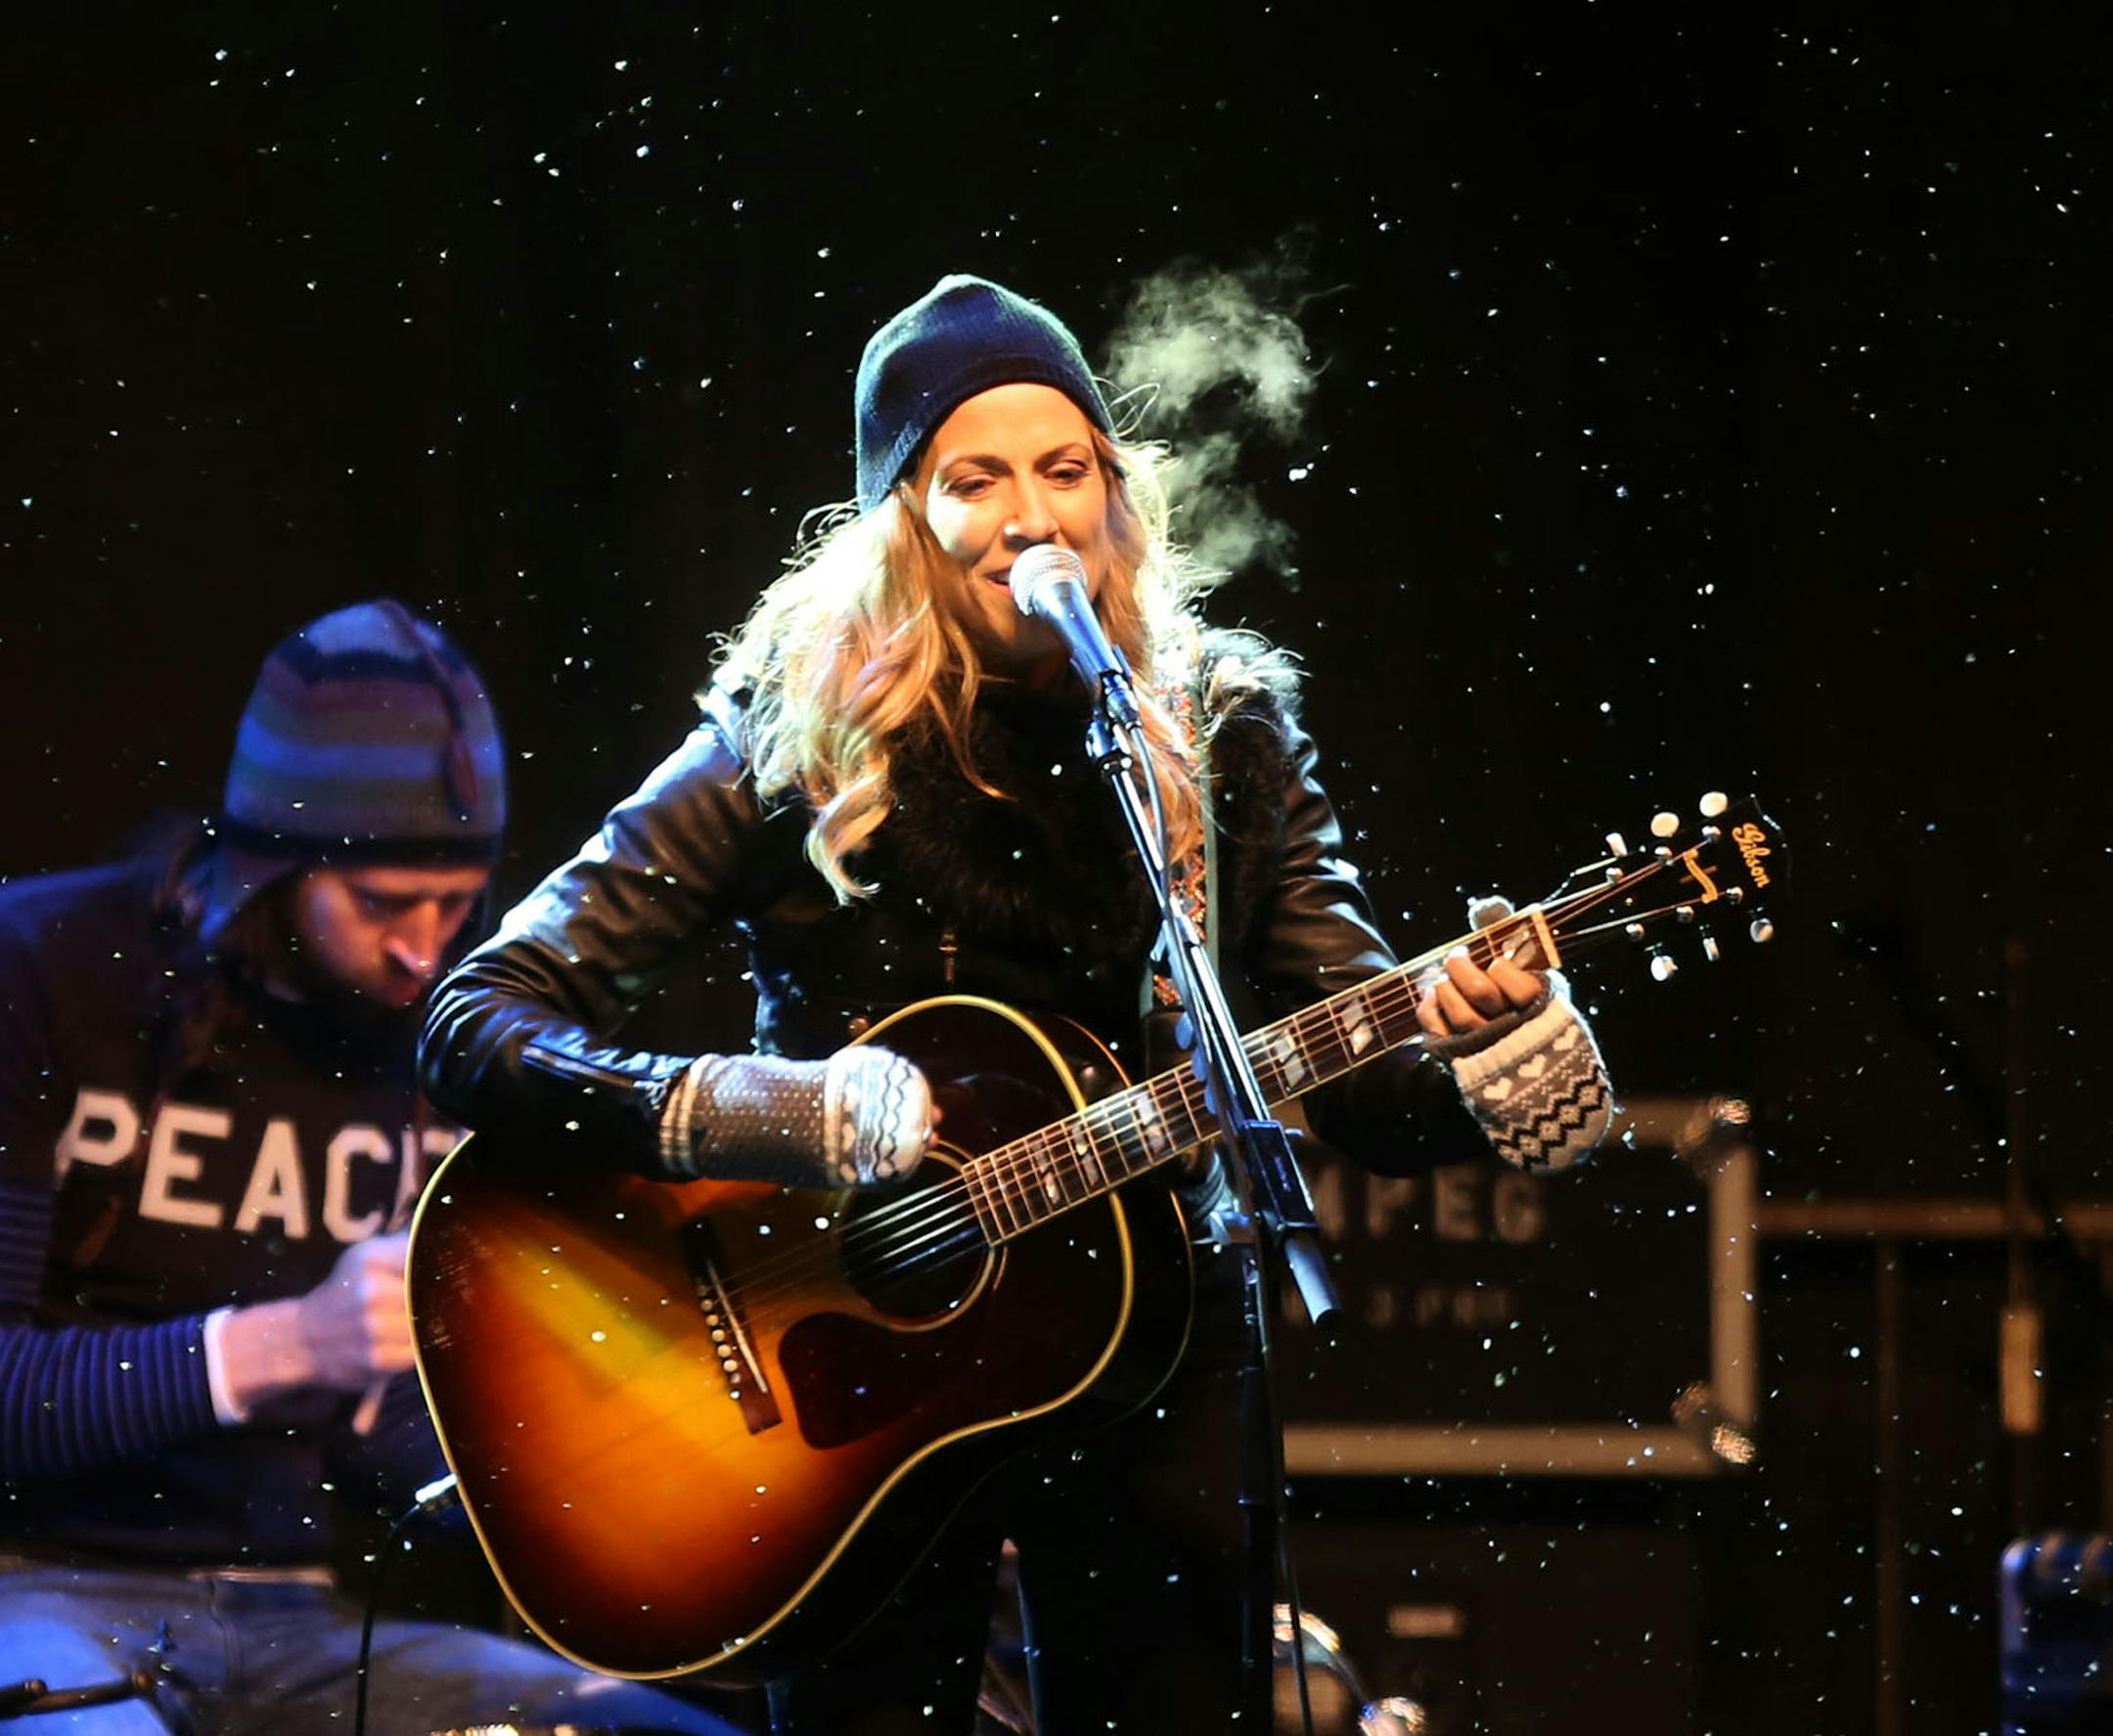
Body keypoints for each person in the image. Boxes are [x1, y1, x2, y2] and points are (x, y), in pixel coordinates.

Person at [419, 276, 1615, 1735]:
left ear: (1119, 501)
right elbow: (478, 1018)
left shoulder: (1215, 724)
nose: (1030, 514)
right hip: (842, 1388)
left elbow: (1357, 1071)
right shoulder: (794, 727)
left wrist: (1493, 1043)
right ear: (903, 517)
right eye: (972, 478)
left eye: (1066, 471)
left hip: (1156, 1344)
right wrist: (769, 1110)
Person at [0, 601, 742, 1735]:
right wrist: (286, 1343)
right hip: (42, 1582)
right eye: (386, 902)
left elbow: (402, 1449)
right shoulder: (47, 968)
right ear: (272, 866)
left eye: (458, 904)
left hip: (305, 1619)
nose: (424, 949)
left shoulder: (450, 1041)